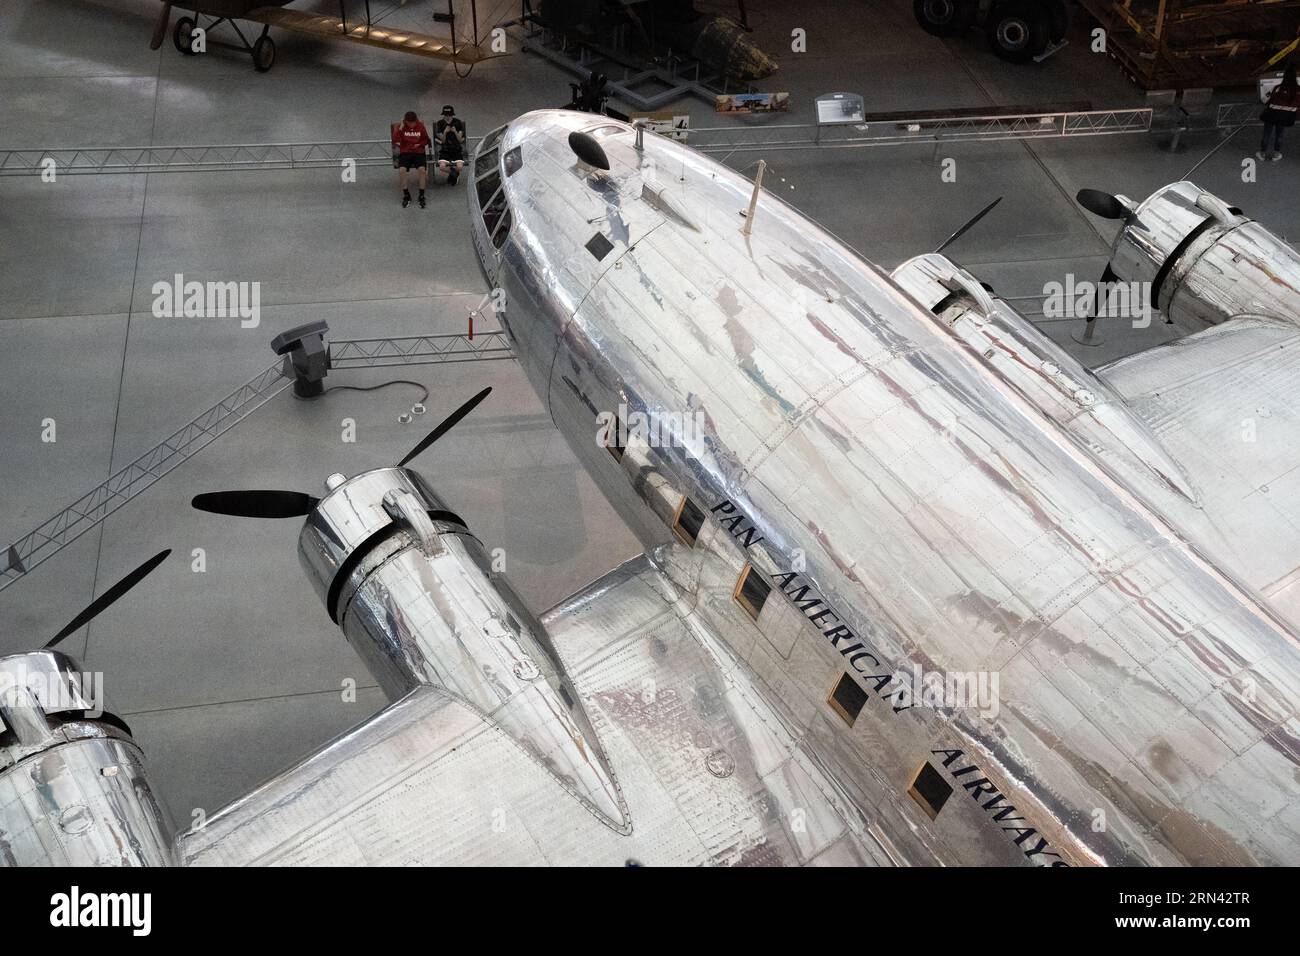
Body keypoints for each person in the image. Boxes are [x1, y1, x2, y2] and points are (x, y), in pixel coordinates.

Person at [1258, 65, 1299, 162]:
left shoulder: (1278, 88)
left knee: (1267, 133)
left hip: (1272, 114)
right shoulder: (1298, 90)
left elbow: (1266, 100)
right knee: (1279, 134)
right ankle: (1276, 154)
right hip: (1286, 116)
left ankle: (1262, 153)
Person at [392, 110, 431, 207]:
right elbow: (395, 139)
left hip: (419, 152)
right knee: (402, 170)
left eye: (413, 122)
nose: (411, 124)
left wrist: (420, 144)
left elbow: (426, 140)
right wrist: (400, 127)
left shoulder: (420, 126)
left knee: (422, 170)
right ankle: (406, 195)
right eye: (409, 122)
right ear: (405, 121)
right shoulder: (401, 127)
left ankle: (421, 195)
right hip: (405, 153)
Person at [434, 105, 466, 185]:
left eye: (450, 115)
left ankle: (453, 175)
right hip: (445, 149)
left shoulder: (457, 122)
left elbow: (460, 139)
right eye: (446, 115)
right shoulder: (440, 123)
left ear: (452, 115)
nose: (448, 117)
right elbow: (442, 140)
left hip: (456, 148)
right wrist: (445, 132)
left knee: (460, 167)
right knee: (442, 166)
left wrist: (455, 131)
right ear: (443, 115)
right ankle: (454, 173)